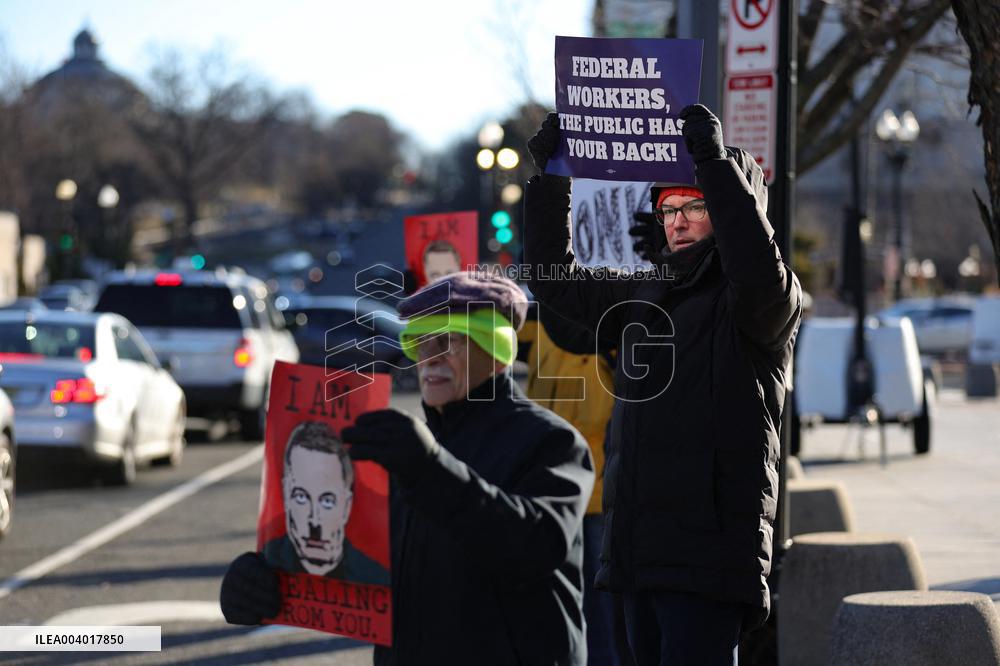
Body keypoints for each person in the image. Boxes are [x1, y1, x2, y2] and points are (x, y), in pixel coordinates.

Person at [523, 105, 802, 665]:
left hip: (709, 561)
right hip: (636, 557)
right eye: (667, 208)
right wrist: (552, 177)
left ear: (727, 208)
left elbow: (753, 258)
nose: (676, 221)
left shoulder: (759, 302)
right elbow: (555, 284)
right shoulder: (645, 295)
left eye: (694, 206)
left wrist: (713, 164)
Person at [220, 271, 595, 665]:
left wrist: (430, 469)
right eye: (417, 343)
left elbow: (533, 548)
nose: (429, 358)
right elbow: (351, 570)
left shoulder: (551, 441)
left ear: (496, 350)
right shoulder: (400, 447)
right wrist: (266, 586)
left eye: (447, 342)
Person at [518, 304, 623, 665]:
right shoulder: (540, 316)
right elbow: (482, 324)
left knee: (603, 615)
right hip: (551, 489)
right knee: (554, 607)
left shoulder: (622, 314)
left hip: (601, 493)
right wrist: (431, 286)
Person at [261, 420, 389, 585]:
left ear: (347, 505)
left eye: (327, 501)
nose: (314, 521)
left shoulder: (375, 577)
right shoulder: (264, 566)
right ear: (285, 494)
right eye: (301, 497)